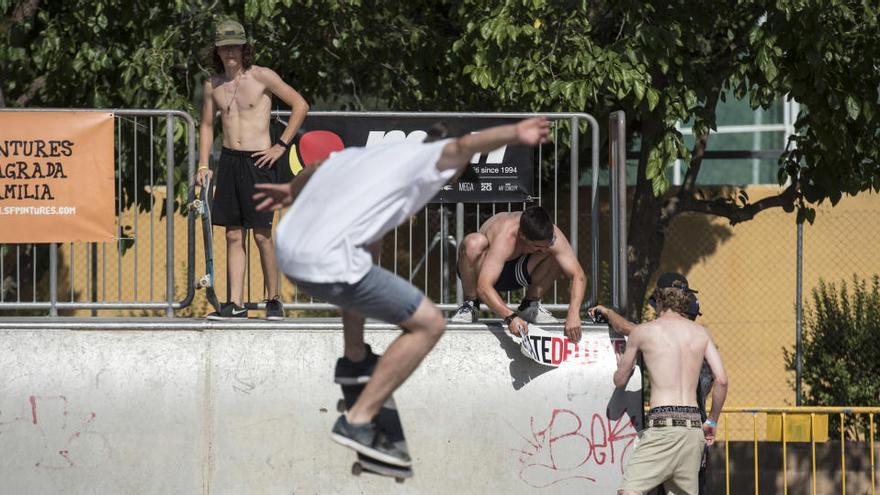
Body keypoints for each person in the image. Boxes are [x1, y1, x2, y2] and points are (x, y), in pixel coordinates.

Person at [252, 117, 551, 466]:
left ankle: (353, 361)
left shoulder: (377, 157)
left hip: (289, 247)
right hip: (322, 259)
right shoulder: (428, 162)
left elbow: (319, 166)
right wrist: (515, 133)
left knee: (363, 268)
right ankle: (358, 420)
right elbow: (463, 146)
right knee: (429, 324)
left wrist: (290, 192)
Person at [196, 19, 309, 320]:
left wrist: (281, 146)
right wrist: (203, 164)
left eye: (235, 46)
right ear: (217, 51)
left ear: (244, 48)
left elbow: (300, 105)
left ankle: (273, 298)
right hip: (230, 161)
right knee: (233, 234)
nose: (229, 52)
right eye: (224, 47)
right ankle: (235, 303)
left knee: (261, 234)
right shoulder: (213, 85)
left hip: (260, 162)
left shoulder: (262, 76)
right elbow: (207, 125)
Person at [595, 277, 728, 495]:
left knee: (629, 491)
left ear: (659, 301)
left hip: (663, 427)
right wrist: (712, 420)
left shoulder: (643, 332)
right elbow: (721, 380)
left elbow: (619, 381)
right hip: (693, 430)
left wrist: (622, 367)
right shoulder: (701, 334)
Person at [452, 206, 587, 343]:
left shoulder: (552, 235)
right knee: (473, 243)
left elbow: (578, 275)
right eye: (538, 247)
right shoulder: (505, 235)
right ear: (522, 236)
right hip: (482, 273)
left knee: (556, 254)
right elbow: (483, 286)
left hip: (517, 272)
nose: (545, 248)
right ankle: (470, 304)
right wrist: (510, 317)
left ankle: (529, 305)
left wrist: (574, 313)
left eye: (548, 243)